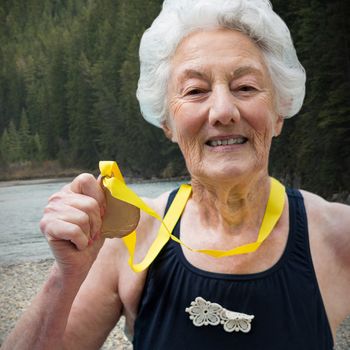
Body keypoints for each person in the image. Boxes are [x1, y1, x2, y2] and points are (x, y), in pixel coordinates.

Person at [3, 0, 350, 349]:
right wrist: (64, 276)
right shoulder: (132, 239)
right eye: (195, 91)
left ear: (278, 112)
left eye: (245, 87)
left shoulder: (336, 236)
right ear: (167, 122)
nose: (223, 111)